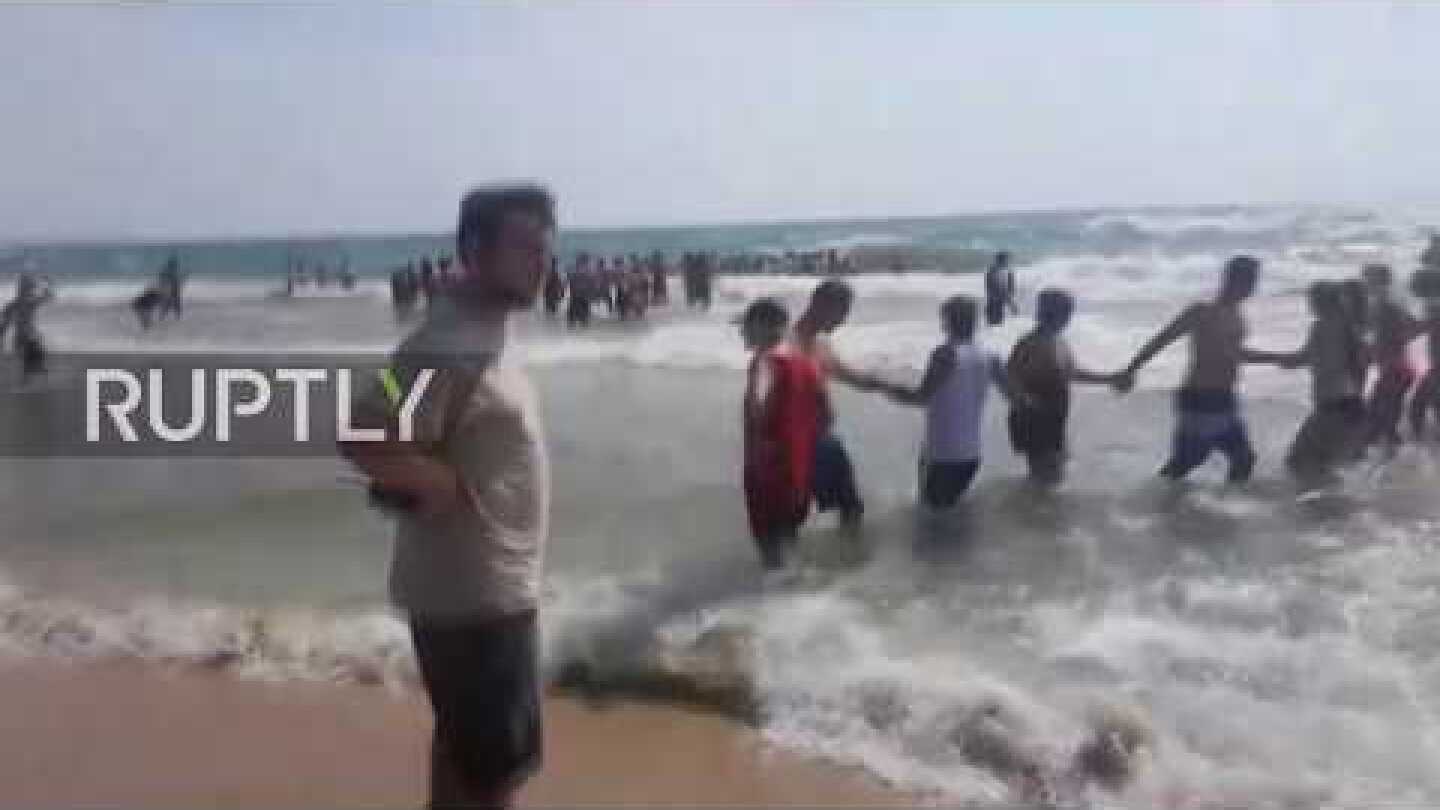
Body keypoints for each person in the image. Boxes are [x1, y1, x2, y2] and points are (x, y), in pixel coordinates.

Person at [339, 185, 555, 810]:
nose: (540, 259)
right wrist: (439, 484)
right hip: (476, 599)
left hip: (483, 591)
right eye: (523, 245)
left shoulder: (483, 334)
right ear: (474, 249)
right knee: (493, 779)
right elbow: (364, 433)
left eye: (544, 246)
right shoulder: (445, 343)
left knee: (465, 761)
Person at [1114, 255, 1282, 483]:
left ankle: (1224, 508)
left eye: (1254, 282)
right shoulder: (1202, 311)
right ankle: (1156, 504)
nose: (1252, 288)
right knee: (1194, 459)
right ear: (1232, 279)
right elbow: (1163, 339)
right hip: (1201, 396)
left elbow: (1233, 355)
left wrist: (1281, 358)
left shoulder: (1238, 316)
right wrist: (1131, 369)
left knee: (1240, 458)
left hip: (1224, 396)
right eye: (1249, 281)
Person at [880, 296, 1011, 508]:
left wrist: (886, 387)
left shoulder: (945, 354)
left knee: (930, 522)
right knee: (948, 516)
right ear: (974, 322)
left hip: (942, 454)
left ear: (946, 321)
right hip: (972, 455)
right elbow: (1014, 396)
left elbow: (921, 397)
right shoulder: (991, 356)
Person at [737, 298, 825, 569]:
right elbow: (824, 416)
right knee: (788, 539)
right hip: (798, 467)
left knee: (769, 547)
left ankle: (772, 603)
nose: (743, 333)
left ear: (764, 326)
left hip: (768, 470)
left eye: (746, 327)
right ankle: (792, 600)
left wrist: (755, 463)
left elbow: (759, 414)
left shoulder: (764, 363)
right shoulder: (806, 362)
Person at [791, 280, 888, 525]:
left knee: (851, 508)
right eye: (841, 312)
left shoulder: (820, 342)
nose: (843, 321)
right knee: (794, 513)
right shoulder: (788, 344)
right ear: (821, 305)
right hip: (800, 443)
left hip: (824, 440)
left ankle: (847, 559)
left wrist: (886, 386)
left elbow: (843, 373)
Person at [1005, 289, 1121, 484]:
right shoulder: (1030, 342)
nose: (1067, 317)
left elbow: (1072, 373)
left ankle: (1029, 509)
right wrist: (1023, 399)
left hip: (1053, 416)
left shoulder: (1058, 341)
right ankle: (1029, 511)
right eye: (1065, 311)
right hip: (1034, 419)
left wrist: (1109, 379)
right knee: (1047, 479)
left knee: (1052, 476)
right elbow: (1008, 375)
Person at [1272, 282, 1369, 485]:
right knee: (1322, 462)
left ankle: (1328, 506)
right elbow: (1360, 363)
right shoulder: (1343, 325)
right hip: (1347, 403)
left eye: (1311, 298)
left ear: (1321, 300)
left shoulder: (1325, 326)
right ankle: (1337, 506)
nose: (1309, 303)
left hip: (1334, 405)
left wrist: (1267, 358)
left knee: (1297, 461)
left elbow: (1302, 358)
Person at [1361, 264, 1420, 450]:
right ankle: (1401, 462)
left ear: (1378, 282)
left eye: (1368, 280)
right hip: (1399, 370)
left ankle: (1401, 463)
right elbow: (1415, 327)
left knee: (1377, 423)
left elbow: (1413, 328)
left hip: (1395, 372)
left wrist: (1387, 347)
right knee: (1382, 423)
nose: (1365, 284)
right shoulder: (1385, 306)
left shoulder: (1385, 307)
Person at [0, 274, 53, 385]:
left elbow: (49, 297)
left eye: (28, 288)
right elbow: (5, 323)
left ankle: (31, 378)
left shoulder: (24, 303)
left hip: (28, 336)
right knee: (30, 360)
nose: (28, 291)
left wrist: (47, 284)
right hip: (23, 337)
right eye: (27, 288)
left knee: (36, 358)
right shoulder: (17, 304)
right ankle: (29, 379)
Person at [984, 251, 1017, 327]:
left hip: (997, 300)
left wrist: (1010, 301)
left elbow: (1009, 289)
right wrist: (1011, 302)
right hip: (995, 301)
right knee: (995, 322)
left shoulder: (1006, 271)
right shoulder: (995, 271)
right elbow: (993, 288)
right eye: (1006, 259)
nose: (1007, 261)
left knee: (996, 323)